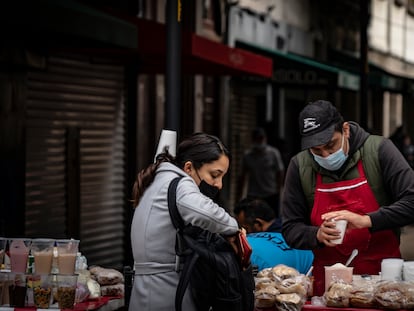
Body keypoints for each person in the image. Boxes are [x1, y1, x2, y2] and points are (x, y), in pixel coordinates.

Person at [281, 100, 414, 296]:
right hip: (328, 287)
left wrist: (367, 221)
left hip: (382, 283)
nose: (325, 155)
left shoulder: (379, 150)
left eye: (330, 145)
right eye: (316, 151)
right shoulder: (300, 166)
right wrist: (316, 235)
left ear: (345, 130)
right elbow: (290, 227)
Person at [129, 132, 240, 311]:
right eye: (214, 175)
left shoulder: (158, 181)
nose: (219, 184)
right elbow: (207, 214)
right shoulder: (180, 184)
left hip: (146, 290)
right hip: (163, 293)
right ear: (189, 167)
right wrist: (233, 229)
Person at [234, 198, 313, 274]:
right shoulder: (292, 229)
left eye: (246, 228)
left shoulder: (257, 254)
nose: (244, 232)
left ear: (258, 223)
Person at [237, 127, 285, 216]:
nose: (259, 141)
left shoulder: (273, 153)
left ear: (265, 139)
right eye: (257, 139)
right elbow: (242, 176)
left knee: (272, 219)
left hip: (271, 194)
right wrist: (239, 197)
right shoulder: (248, 156)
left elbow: (280, 172)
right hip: (254, 195)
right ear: (253, 140)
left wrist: (279, 190)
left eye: (261, 138)